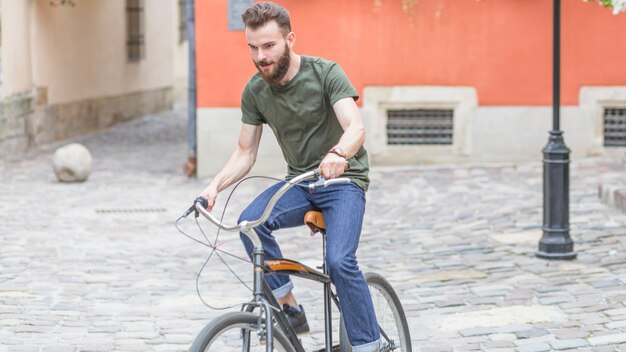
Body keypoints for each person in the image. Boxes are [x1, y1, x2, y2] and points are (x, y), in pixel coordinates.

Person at [199, 2, 381, 351]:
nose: (260, 56)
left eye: (268, 46)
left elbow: (355, 128)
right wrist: (214, 187)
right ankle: (289, 307)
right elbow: (245, 152)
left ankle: (367, 346)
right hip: (301, 182)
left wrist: (339, 154)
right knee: (250, 225)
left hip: (343, 182)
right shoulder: (255, 90)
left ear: (290, 40)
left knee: (340, 262)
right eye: (253, 47)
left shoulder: (325, 73)